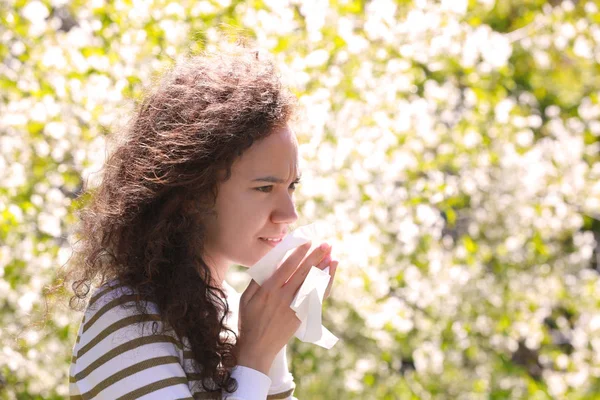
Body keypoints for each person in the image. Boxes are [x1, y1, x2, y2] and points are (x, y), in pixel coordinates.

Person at [64, 45, 339, 399]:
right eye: (265, 187)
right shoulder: (129, 316)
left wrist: (270, 338)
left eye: (291, 186)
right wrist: (255, 354)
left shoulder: (232, 309)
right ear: (192, 192)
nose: (289, 214)